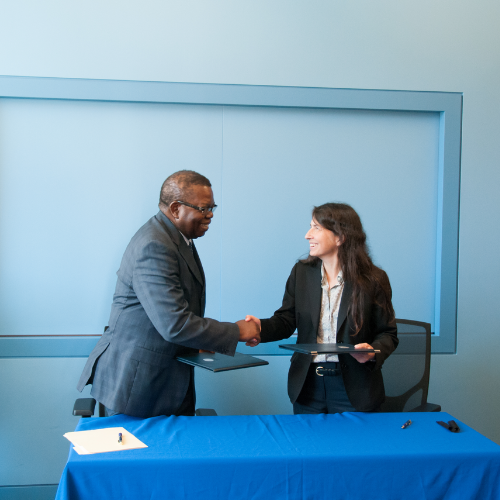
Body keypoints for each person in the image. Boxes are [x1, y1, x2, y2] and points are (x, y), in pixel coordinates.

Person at [77, 170, 259, 418]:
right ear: (176, 208)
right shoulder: (155, 245)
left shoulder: (176, 237)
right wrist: (237, 331)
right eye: (204, 208)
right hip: (136, 387)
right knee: (139, 457)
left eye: (212, 207)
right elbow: (174, 324)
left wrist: (202, 342)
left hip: (162, 379)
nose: (210, 215)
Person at [245, 202, 398, 414]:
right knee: (308, 446)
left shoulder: (374, 279)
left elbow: (388, 333)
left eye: (316, 227)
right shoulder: (301, 272)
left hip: (355, 388)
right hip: (308, 385)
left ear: (340, 237)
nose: (308, 235)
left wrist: (372, 353)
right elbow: (286, 320)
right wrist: (260, 328)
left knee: (352, 447)